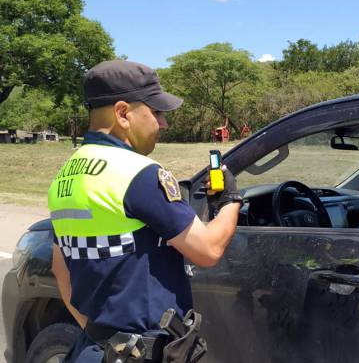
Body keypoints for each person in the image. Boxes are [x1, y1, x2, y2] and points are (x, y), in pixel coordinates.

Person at [48, 60, 242, 362]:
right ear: (123, 113)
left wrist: (99, 332)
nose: (163, 124)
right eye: (156, 112)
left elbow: (61, 269)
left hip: (93, 348)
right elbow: (208, 250)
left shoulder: (65, 175)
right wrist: (231, 200)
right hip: (144, 353)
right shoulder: (137, 173)